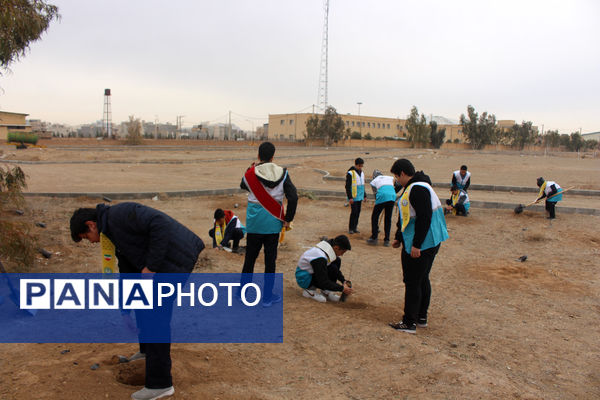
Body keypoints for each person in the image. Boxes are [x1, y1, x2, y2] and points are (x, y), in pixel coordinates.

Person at [70, 202, 205, 400]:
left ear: (91, 225)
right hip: (162, 264)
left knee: (156, 320)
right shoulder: (111, 229)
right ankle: (145, 352)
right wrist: (125, 310)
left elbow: (160, 224)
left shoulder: (120, 215)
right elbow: (127, 270)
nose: (91, 242)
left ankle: (160, 385)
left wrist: (151, 266)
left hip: (175, 260)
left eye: (86, 237)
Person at [388, 159, 448, 334]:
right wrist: (399, 237)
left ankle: (409, 323)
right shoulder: (419, 185)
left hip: (423, 243)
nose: (396, 180)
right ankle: (421, 317)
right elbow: (407, 216)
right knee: (422, 278)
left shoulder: (418, 189)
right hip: (430, 241)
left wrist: (416, 245)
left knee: (413, 281)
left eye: (396, 176)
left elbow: (424, 217)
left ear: (403, 174)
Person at [240, 142, 298, 307]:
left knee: (249, 259)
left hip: (254, 223)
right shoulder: (283, 173)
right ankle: (267, 297)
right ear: (273, 156)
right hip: (272, 224)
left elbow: (243, 184)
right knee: (270, 261)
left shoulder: (251, 173)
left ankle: (243, 294)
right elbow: (293, 197)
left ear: (259, 156)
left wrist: (253, 170)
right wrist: (288, 218)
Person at [295, 235, 354, 303]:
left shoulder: (330, 248)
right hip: (305, 279)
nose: (342, 255)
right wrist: (342, 288)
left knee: (337, 261)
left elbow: (335, 270)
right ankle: (309, 291)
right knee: (323, 297)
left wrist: (343, 280)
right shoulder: (320, 257)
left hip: (312, 272)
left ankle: (325, 291)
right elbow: (323, 281)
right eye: (342, 252)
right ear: (336, 248)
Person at [367, 169, 399, 246]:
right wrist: (392, 192)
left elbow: (375, 193)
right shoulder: (390, 178)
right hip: (392, 196)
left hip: (382, 196)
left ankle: (374, 237)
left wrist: (380, 201)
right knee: (388, 218)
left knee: (375, 217)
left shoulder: (374, 181)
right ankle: (386, 240)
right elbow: (399, 185)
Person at [345, 157, 366, 234]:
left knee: (358, 212)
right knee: (354, 212)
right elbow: (347, 186)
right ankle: (351, 228)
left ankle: (355, 227)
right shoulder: (350, 173)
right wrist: (350, 197)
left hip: (360, 196)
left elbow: (362, 185)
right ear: (356, 165)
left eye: (361, 166)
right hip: (353, 196)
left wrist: (364, 195)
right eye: (359, 166)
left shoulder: (362, 172)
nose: (360, 167)